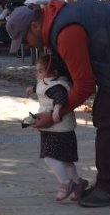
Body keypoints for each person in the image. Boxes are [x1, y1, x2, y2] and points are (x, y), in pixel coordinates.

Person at [6, 0, 110, 207]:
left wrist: (57, 114)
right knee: (105, 115)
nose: (27, 46)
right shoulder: (57, 21)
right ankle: (108, 185)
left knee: (107, 117)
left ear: (35, 26)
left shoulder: (66, 33)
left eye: (25, 40)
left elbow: (84, 85)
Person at [25, 54, 87, 201]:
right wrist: (34, 88)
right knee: (65, 160)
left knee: (50, 158)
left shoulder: (56, 86)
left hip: (57, 128)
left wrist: (57, 110)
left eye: (40, 71)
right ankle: (78, 182)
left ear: (53, 73)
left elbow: (60, 97)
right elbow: (46, 91)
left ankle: (66, 183)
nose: (38, 75)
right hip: (57, 129)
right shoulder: (50, 83)